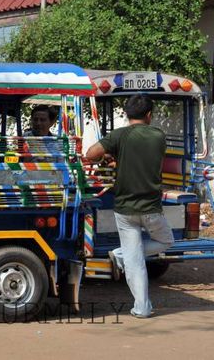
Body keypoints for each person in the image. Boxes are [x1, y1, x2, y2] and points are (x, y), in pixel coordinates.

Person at [85, 94, 174, 319]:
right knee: (166, 241)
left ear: (126, 114)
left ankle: (141, 305)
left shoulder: (120, 135)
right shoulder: (159, 136)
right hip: (151, 207)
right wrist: (119, 159)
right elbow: (144, 160)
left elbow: (90, 154)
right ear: (149, 115)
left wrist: (108, 155)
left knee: (134, 260)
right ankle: (122, 255)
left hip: (124, 209)